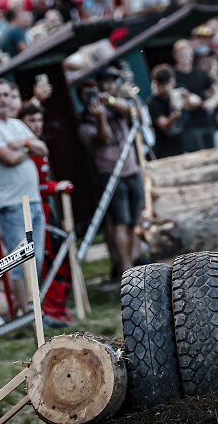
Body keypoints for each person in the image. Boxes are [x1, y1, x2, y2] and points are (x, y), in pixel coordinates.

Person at [0, 79, 47, 318]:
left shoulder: (17, 125)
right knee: (21, 261)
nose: (3, 99)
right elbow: (8, 158)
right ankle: (25, 312)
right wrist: (28, 149)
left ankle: (35, 308)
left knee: (35, 260)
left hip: (33, 199)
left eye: (6, 94)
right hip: (11, 203)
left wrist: (24, 143)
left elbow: (43, 149)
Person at [77, 70, 142, 280]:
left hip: (131, 168)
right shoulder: (85, 121)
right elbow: (102, 140)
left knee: (133, 220)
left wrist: (112, 101)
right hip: (111, 173)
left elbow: (135, 115)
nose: (92, 97)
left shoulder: (116, 104)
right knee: (120, 222)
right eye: (87, 95)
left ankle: (134, 260)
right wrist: (101, 117)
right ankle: (125, 268)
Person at [171, 40, 218, 152]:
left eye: (187, 54)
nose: (185, 57)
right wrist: (194, 101)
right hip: (189, 125)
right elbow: (183, 100)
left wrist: (213, 100)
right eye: (182, 55)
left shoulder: (198, 72)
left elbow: (216, 86)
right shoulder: (174, 76)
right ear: (176, 56)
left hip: (206, 122)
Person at [147, 65, 189, 158]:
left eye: (168, 83)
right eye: (162, 84)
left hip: (184, 146)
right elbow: (166, 127)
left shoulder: (179, 90)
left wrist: (186, 98)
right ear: (157, 84)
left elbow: (197, 102)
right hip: (166, 152)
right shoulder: (153, 103)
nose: (166, 88)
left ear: (173, 81)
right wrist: (176, 112)